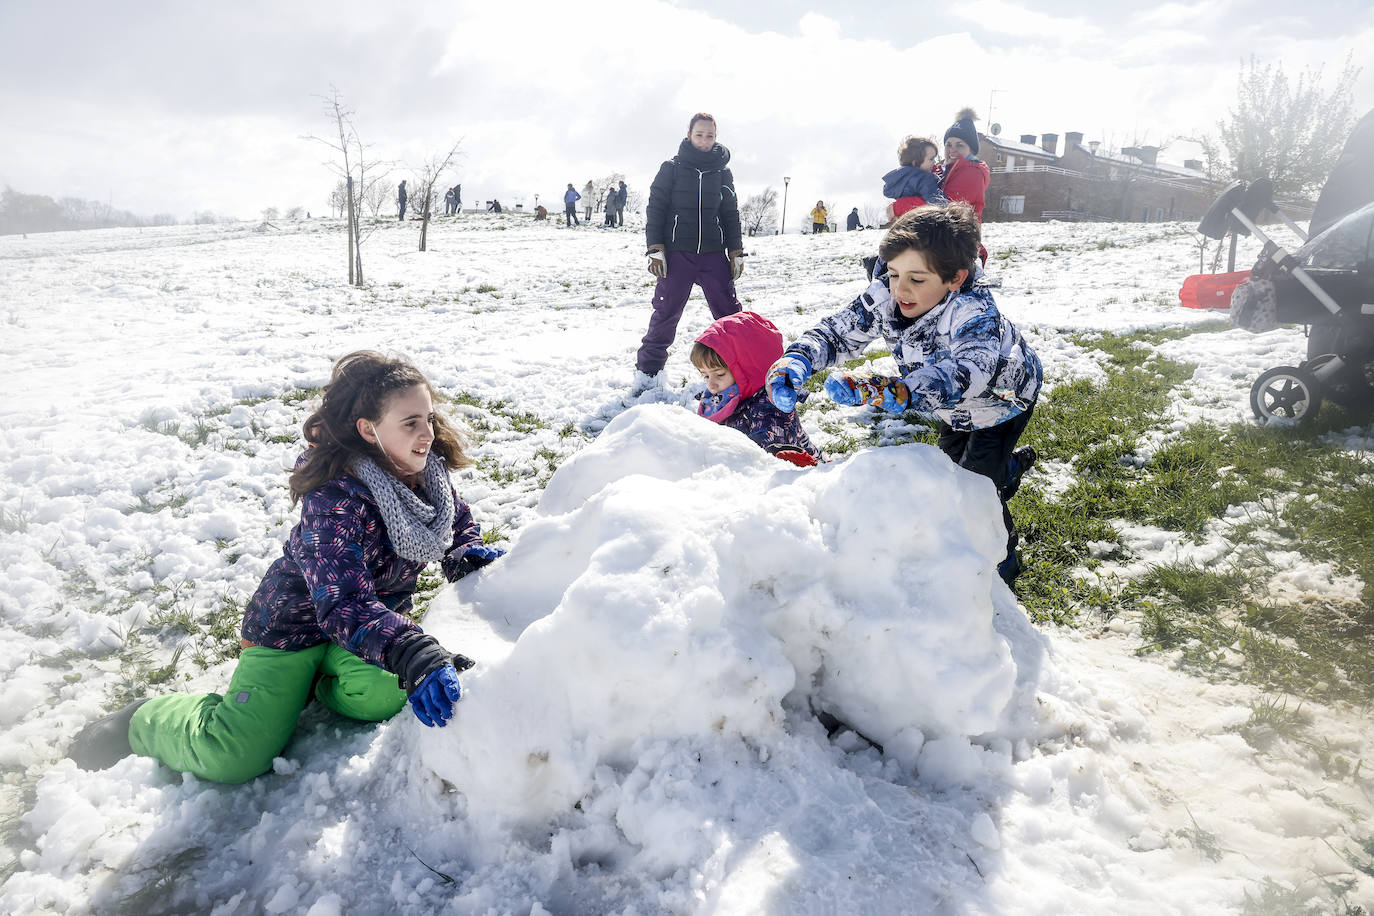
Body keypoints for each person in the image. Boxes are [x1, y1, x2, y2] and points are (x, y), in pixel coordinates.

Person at [68, 352, 504, 783]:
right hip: (294, 630)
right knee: (233, 756)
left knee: (383, 694)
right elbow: (341, 601)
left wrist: (464, 552)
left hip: (361, 628)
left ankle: (313, 685)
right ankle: (142, 719)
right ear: (369, 429)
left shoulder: (425, 476)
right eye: (410, 423)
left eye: (428, 418)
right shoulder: (336, 497)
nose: (427, 433)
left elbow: (450, 521)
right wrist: (411, 651)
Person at [764, 204, 1041, 584]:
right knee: (948, 472)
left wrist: (905, 390)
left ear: (955, 278)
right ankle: (1007, 468)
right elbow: (838, 332)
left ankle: (1003, 559)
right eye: (893, 274)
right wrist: (796, 360)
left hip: (1002, 403)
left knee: (976, 490)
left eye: (916, 279)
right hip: (950, 410)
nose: (900, 289)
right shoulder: (888, 294)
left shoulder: (973, 310)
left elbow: (969, 370)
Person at [633, 112, 745, 392]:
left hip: (713, 254)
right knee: (666, 311)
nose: (705, 140)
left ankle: (741, 366)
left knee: (729, 314)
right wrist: (655, 248)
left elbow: (730, 213)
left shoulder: (723, 172)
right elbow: (656, 207)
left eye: (710, 135)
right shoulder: (671, 168)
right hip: (676, 253)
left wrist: (736, 250)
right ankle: (648, 373)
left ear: (715, 137)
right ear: (689, 135)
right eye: (699, 134)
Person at [692, 312, 821, 466]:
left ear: (748, 371)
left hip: (801, 470)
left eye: (719, 374)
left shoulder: (770, 413)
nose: (711, 385)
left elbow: (770, 463)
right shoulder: (725, 393)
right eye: (705, 376)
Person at [936, 108, 990, 263]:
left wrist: (901, 206)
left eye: (959, 145)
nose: (952, 150)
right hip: (941, 239)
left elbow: (942, 206)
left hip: (958, 244)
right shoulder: (941, 170)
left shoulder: (973, 173)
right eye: (948, 144)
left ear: (971, 149)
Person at [883, 136, 948, 220]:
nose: (934, 162)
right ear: (915, 163)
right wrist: (948, 208)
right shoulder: (924, 178)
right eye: (931, 159)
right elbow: (938, 202)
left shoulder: (902, 179)